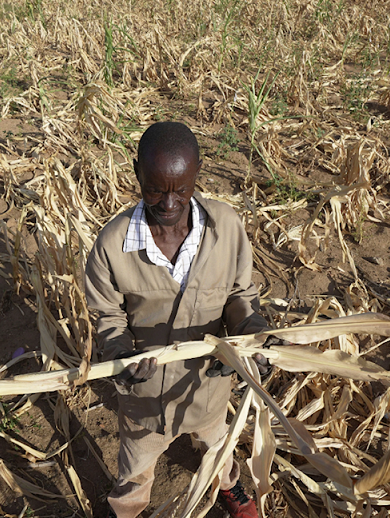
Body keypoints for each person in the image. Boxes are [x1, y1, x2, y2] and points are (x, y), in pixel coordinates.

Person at [85, 121, 272, 518]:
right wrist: (122, 356)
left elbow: (240, 298)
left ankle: (227, 485)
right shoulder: (111, 245)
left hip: (207, 389)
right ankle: (128, 509)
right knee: (135, 469)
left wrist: (253, 337)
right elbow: (108, 316)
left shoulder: (227, 229)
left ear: (196, 175)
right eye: (155, 189)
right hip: (145, 400)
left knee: (218, 446)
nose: (169, 204)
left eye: (181, 190)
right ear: (137, 173)